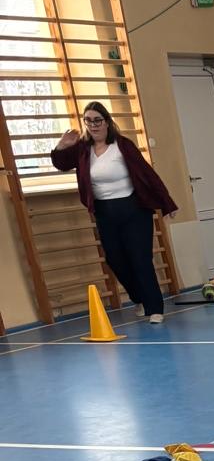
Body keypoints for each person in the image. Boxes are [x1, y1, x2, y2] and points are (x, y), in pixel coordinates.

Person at [50, 101, 177, 323]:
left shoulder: (123, 145)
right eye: (88, 121)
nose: (93, 125)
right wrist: (62, 145)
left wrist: (167, 203)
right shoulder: (83, 149)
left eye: (97, 120)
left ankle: (155, 308)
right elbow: (61, 164)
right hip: (104, 212)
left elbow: (148, 174)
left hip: (134, 210)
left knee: (141, 259)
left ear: (107, 122)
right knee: (115, 260)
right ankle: (139, 298)